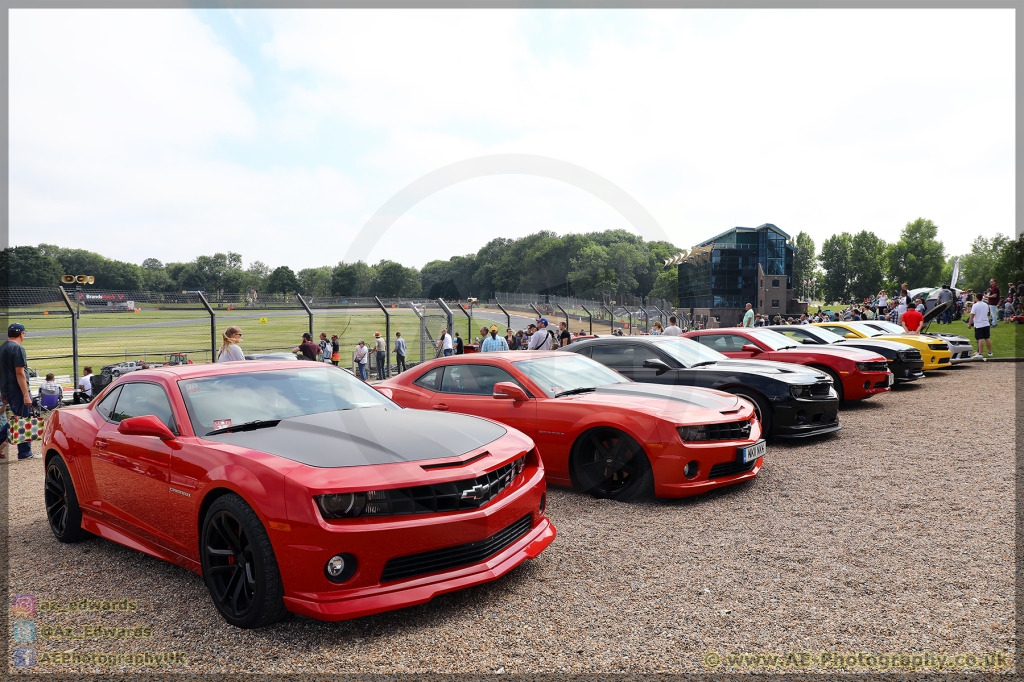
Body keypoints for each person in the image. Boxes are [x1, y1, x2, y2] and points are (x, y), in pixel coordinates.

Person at [0, 324, 35, 460]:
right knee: (23, 421)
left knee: (18, 420)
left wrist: (3, 391)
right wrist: (26, 394)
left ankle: (24, 452)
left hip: (7, 389)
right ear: (21, 334)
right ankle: (25, 453)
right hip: (18, 390)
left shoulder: (2, 347)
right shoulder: (17, 349)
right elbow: (20, 373)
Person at [968, 292, 991, 359]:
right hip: (986, 323)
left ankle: (980, 353)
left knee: (979, 338)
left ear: (976, 298)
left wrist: (969, 323)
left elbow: (972, 315)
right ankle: (990, 352)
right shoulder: (986, 304)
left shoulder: (975, 305)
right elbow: (987, 313)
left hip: (979, 324)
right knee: (987, 338)